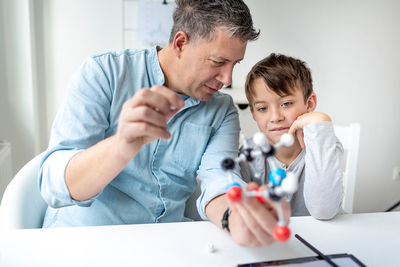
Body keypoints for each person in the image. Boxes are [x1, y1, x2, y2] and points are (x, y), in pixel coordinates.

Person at [38, 0, 289, 247]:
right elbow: (54, 185)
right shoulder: (104, 73)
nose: (227, 78)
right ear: (180, 43)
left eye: (235, 64)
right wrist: (121, 146)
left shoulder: (221, 110)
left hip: (163, 245)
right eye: (218, 62)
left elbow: (219, 180)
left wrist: (235, 218)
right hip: (85, 242)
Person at [240, 53, 343, 220]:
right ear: (253, 113)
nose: (275, 117)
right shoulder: (249, 154)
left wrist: (320, 121)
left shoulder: (324, 145)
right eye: (262, 108)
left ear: (309, 104)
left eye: (286, 104)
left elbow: (323, 210)